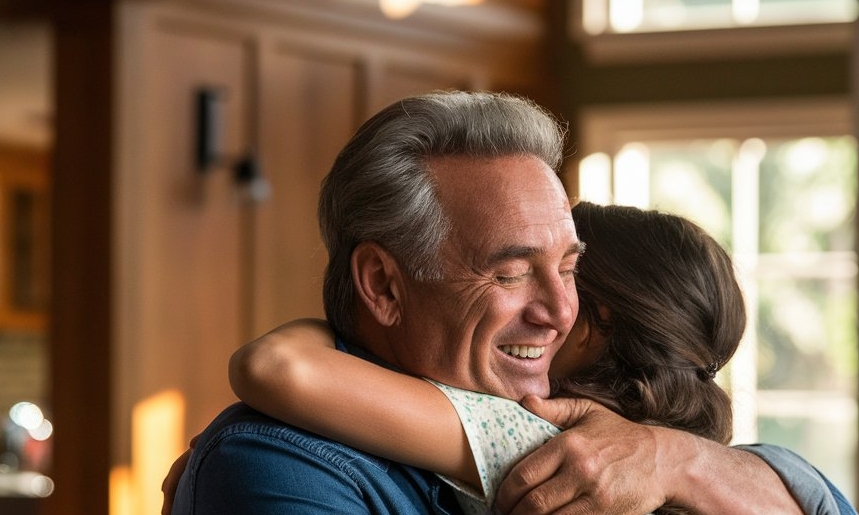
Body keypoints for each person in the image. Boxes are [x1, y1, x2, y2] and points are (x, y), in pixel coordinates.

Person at [167, 90, 848, 515]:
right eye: (511, 272)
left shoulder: (603, 451)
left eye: (570, 267)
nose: (560, 310)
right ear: (381, 285)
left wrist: (677, 459)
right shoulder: (278, 465)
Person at [220, 201, 746, 515]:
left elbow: (277, 366)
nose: (550, 306)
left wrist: (318, 331)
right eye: (519, 273)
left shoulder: (532, 437)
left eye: (566, 273)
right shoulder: (708, 465)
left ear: (598, 320)